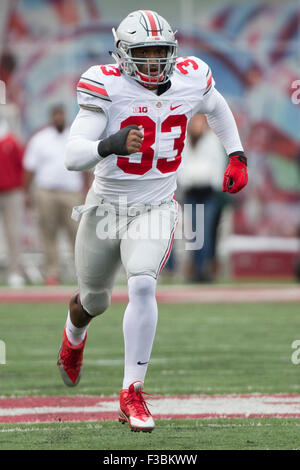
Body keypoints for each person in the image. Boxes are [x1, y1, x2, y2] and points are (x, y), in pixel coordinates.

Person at [57, 10, 248, 433]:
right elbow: (72, 156)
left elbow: (216, 107)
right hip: (105, 208)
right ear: (123, 54)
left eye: (162, 51)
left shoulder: (192, 76)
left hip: (156, 206)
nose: (154, 61)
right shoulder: (105, 85)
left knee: (142, 281)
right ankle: (73, 335)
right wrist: (110, 143)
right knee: (94, 301)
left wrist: (236, 154)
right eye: (144, 53)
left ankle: (131, 390)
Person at [23, 105, 88, 285]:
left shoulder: (74, 137)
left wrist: (87, 189)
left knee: (77, 232)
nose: (59, 118)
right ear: (51, 117)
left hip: (71, 192)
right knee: (48, 232)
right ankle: (52, 272)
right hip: (46, 191)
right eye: (56, 115)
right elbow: (30, 168)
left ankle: (82, 272)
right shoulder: (40, 139)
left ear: (65, 116)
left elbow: (86, 166)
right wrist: (26, 192)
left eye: (61, 114)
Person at [178, 114, 227, 282]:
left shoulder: (212, 141)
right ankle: (196, 268)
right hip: (191, 192)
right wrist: (187, 180)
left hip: (208, 193)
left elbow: (217, 166)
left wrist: (213, 183)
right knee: (194, 233)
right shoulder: (184, 140)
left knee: (206, 231)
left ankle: (205, 268)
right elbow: (181, 166)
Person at [0, 116, 25, 287]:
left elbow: (22, 166)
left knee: (13, 233)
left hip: (11, 192)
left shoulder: (11, 141)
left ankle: (15, 271)